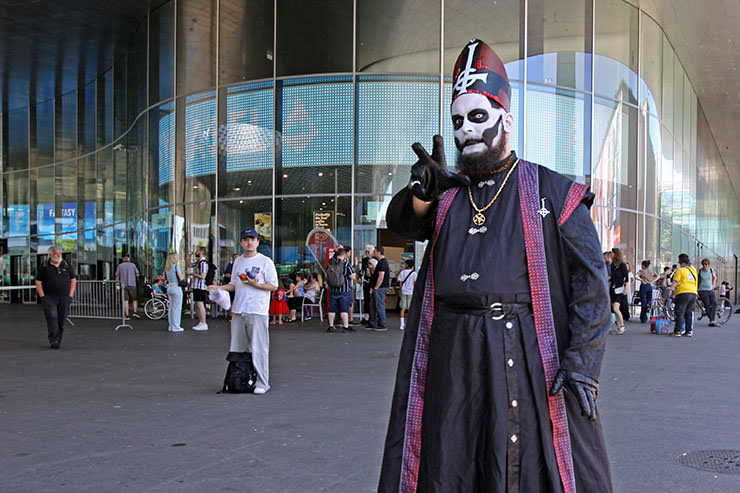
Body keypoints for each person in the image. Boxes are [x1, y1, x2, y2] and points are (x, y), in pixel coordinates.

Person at [378, 39, 611, 492]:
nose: (465, 130)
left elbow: (591, 282)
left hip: (524, 352)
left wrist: (582, 362)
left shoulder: (554, 192)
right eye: (458, 120)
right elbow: (404, 223)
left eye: (478, 116)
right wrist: (422, 191)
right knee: (453, 463)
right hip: (452, 358)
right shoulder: (446, 195)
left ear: (506, 119)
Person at [209, 228, 278, 394]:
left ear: (257, 242)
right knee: (238, 348)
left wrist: (256, 285)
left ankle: (263, 382)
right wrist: (218, 287)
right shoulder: (238, 262)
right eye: (246, 239)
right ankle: (241, 377)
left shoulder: (265, 261)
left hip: (257, 310)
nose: (249, 242)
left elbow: (274, 285)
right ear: (241, 242)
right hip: (239, 310)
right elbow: (234, 284)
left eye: (252, 239)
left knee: (259, 347)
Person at [35, 245, 77, 349]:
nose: (58, 256)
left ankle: (59, 338)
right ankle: (53, 339)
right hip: (49, 297)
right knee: (52, 317)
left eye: (59, 254)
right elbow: (38, 281)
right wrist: (42, 296)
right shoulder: (44, 266)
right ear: (50, 255)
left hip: (64, 297)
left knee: (62, 318)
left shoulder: (66, 265)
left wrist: (70, 295)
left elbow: (73, 280)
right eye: (55, 254)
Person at [326, 246, 356, 333]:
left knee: (332, 309)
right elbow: (352, 275)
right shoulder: (345, 264)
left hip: (332, 289)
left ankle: (331, 326)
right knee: (344, 309)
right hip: (344, 290)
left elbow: (327, 274)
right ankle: (345, 327)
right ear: (343, 254)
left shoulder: (330, 263)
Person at [669, 253, 698, 337]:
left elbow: (676, 281)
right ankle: (689, 331)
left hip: (683, 292)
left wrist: (671, 290)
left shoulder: (680, 270)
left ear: (682, 263)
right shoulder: (693, 270)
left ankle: (677, 331)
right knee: (688, 312)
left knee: (680, 312)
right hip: (693, 293)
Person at [367, 245, 389, 332]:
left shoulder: (383, 262)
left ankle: (382, 324)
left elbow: (381, 276)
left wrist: (376, 287)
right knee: (373, 305)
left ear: (379, 252)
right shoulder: (380, 262)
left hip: (380, 287)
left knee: (379, 305)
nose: (374, 253)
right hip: (378, 287)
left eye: (375, 251)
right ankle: (372, 323)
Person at [187, 246, 209, 331]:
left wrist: (192, 274)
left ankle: (203, 322)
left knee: (200, 304)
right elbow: (189, 264)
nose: (196, 252)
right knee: (197, 304)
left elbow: (202, 276)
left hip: (200, 286)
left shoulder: (203, 263)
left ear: (200, 251)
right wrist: (189, 256)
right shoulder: (198, 262)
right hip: (196, 286)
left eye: (197, 251)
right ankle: (201, 322)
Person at [609, 247, 629, 335]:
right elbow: (612, 277)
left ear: (615, 254)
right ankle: (619, 327)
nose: (610, 254)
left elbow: (626, 277)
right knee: (614, 309)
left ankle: (622, 326)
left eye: (612, 253)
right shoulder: (613, 265)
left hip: (619, 289)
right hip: (613, 289)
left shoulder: (622, 265)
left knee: (615, 308)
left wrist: (626, 288)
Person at [115, 254, 141, 319]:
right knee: (134, 299)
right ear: (129, 259)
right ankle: (135, 312)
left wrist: (117, 285)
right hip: (132, 284)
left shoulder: (120, 266)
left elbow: (117, 276)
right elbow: (137, 274)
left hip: (123, 285)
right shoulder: (133, 265)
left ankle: (127, 315)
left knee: (125, 300)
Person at [164, 253, 185, 332]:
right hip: (176, 287)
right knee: (177, 308)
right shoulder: (176, 267)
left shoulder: (167, 268)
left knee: (171, 308)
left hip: (169, 287)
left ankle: (171, 326)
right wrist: (182, 274)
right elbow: (181, 278)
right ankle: (176, 326)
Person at [396, 259, 417, 331]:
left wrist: (401, 288)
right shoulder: (414, 273)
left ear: (407, 265)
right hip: (411, 292)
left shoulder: (402, 272)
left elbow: (400, 282)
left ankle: (402, 324)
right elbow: (415, 283)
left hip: (404, 292)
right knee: (411, 309)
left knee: (402, 308)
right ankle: (410, 324)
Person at [697, 258, 718, 326]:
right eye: (703, 264)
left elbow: (714, 277)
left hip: (710, 290)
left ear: (708, 265)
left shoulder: (711, 270)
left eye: (706, 264)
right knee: (707, 305)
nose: (704, 266)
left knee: (714, 303)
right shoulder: (700, 271)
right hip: (702, 290)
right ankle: (712, 320)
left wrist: (713, 285)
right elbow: (697, 280)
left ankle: (712, 319)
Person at [360, 245, 376, 325]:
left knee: (372, 300)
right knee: (366, 299)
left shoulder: (376, 260)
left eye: (369, 252)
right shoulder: (364, 260)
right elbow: (362, 270)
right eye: (366, 251)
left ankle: (373, 317)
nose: (367, 253)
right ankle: (366, 317)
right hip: (366, 281)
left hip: (373, 282)